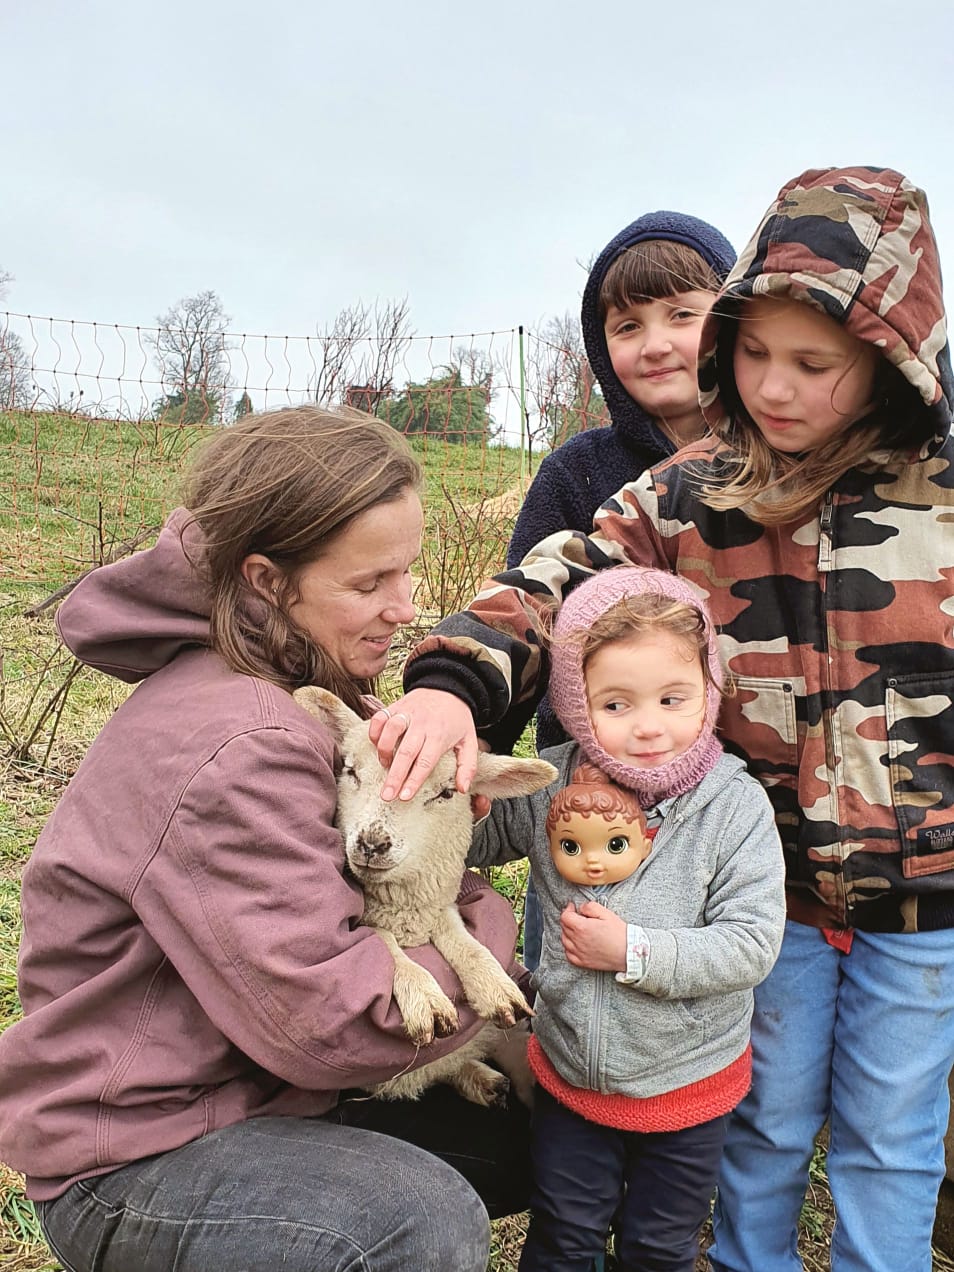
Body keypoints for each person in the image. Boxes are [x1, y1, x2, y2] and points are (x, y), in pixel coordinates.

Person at [372, 165, 954, 1271]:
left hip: (925, 898)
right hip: (756, 884)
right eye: (753, 352)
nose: (773, 387)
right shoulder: (691, 491)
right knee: (764, 1122)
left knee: (892, 1132)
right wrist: (456, 682)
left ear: (889, 359)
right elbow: (554, 582)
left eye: (813, 363)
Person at [0, 406, 532, 1272]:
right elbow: (347, 1026)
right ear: (267, 580)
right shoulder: (244, 739)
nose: (405, 609)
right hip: (136, 1151)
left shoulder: (294, 678)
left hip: (246, 1087)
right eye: (370, 585)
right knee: (411, 1222)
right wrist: (471, 920)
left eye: (406, 574)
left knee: (538, 1091)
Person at [468, 567, 785, 1271]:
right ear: (578, 707)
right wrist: (454, 790)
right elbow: (475, 840)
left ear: (709, 689)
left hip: (688, 1085)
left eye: (674, 698)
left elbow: (751, 944)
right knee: (564, 1235)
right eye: (616, 704)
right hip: (573, 1077)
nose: (648, 727)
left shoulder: (732, 808)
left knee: (658, 1246)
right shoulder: (553, 783)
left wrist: (634, 951)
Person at [503, 210, 736, 972]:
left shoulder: (777, 463)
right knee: (574, 967)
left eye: (682, 315)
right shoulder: (578, 473)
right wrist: (480, 744)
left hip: (731, 786)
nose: (656, 343)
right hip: (596, 795)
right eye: (627, 325)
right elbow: (531, 623)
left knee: (710, 960)